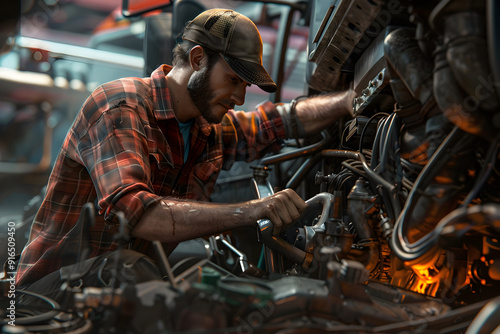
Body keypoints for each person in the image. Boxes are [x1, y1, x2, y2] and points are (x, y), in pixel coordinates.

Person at [15, 9, 354, 295]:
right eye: (233, 80)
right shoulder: (120, 106)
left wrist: (350, 100)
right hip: (52, 295)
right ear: (197, 58)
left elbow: (277, 122)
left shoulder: (207, 128)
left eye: (244, 86)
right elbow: (141, 216)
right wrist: (252, 211)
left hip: (117, 287)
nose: (239, 98)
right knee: (134, 269)